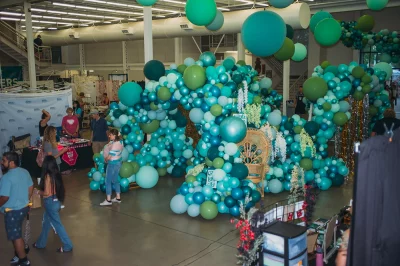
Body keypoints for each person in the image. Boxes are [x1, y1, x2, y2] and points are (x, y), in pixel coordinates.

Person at [33, 156, 73, 253]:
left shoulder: (47, 176)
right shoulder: (56, 173)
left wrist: (38, 192)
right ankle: (40, 243)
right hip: (56, 201)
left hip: (50, 202)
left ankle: (68, 245)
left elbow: (47, 193)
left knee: (58, 225)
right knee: (46, 223)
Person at [0, 152, 33, 266]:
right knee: (17, 232)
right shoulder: (25, 171)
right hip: (24, 208)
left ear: (11, 162)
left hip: (12, 211)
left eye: (4, 160)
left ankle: (24, 260)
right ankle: (19, 253)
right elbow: (30, 186)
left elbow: (4, 197)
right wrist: (26, 199)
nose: (1, 162)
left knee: (16, 236)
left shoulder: (6, 178)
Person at [100, 129, 123, 206]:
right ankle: (118, 197)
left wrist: (105, 159)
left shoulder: (114, 145)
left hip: (112, 163)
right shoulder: (120, 141)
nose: (109, 136)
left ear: (115, 135)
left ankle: (108, 200)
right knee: (115, 180)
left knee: (108, 181)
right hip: (118, 162)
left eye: (110, 135)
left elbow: (109, 157)